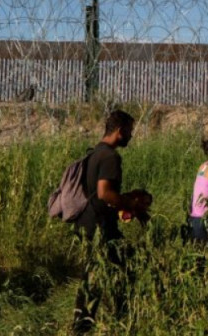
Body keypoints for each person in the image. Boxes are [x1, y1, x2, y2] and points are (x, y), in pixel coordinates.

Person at [73, 110, 140, 333]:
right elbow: (103, 193)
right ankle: (120, 318)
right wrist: (128, 204)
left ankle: (82, 322)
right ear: (120, 131)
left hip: (87, 222)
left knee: (91, 273)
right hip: (100, 225)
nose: (131, 136)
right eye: (129, 131)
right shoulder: (110, 156)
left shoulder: (94, 152)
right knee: (125, 266)